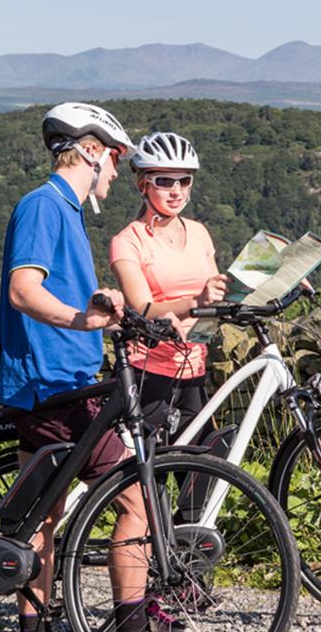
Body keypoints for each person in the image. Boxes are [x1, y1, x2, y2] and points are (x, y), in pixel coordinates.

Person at [0, 102, 167, 632]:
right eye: (115, 158)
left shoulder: (65, 211)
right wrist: (82, 320)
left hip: (61, 384)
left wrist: (109, 313)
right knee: (137, 502)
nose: (118, 170)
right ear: (91, 152)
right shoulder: (44, 206)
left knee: (40, 517)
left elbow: (63, 292)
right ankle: (134, 624)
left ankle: (34, 625)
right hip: (50, 387)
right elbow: (23, 292)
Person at [109, 132, 227, 443]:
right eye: (164, 181)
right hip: (150, 374)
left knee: (202, 475)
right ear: (143, 184)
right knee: (155, 479)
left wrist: (282, 282)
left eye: (184, 181)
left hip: (194, 368)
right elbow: (142, 307)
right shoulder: (128, 241)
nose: (176, 191)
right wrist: (195, 301)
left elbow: (220, 293)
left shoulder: (200, 233)